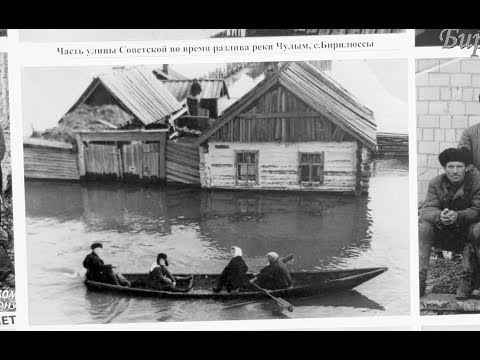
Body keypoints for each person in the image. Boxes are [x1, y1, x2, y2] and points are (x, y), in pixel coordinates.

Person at [419, 148, 480, 299]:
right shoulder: (436, 183)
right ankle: (419, 280)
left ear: (466, 167)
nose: (455, 171)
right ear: (445, 168)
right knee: (423, 228)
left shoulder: (477, 182)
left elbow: (477, 210)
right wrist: (440, 216)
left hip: (468, 233)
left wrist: (457, 216)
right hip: (444, 233)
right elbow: (426, 210)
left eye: (459, 166)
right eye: (450, 167)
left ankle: (469, 281)